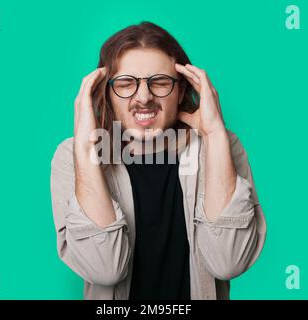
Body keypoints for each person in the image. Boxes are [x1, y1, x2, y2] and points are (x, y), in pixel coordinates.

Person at [50, 21, 266, 300]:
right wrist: (85, 147)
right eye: (126, 84)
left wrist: (214, 134)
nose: (144, 98)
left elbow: (229, 262)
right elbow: (105, 269)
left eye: (160, 83)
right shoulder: (72, 156)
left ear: (181, 90)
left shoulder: (221, 145)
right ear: (106, 93)